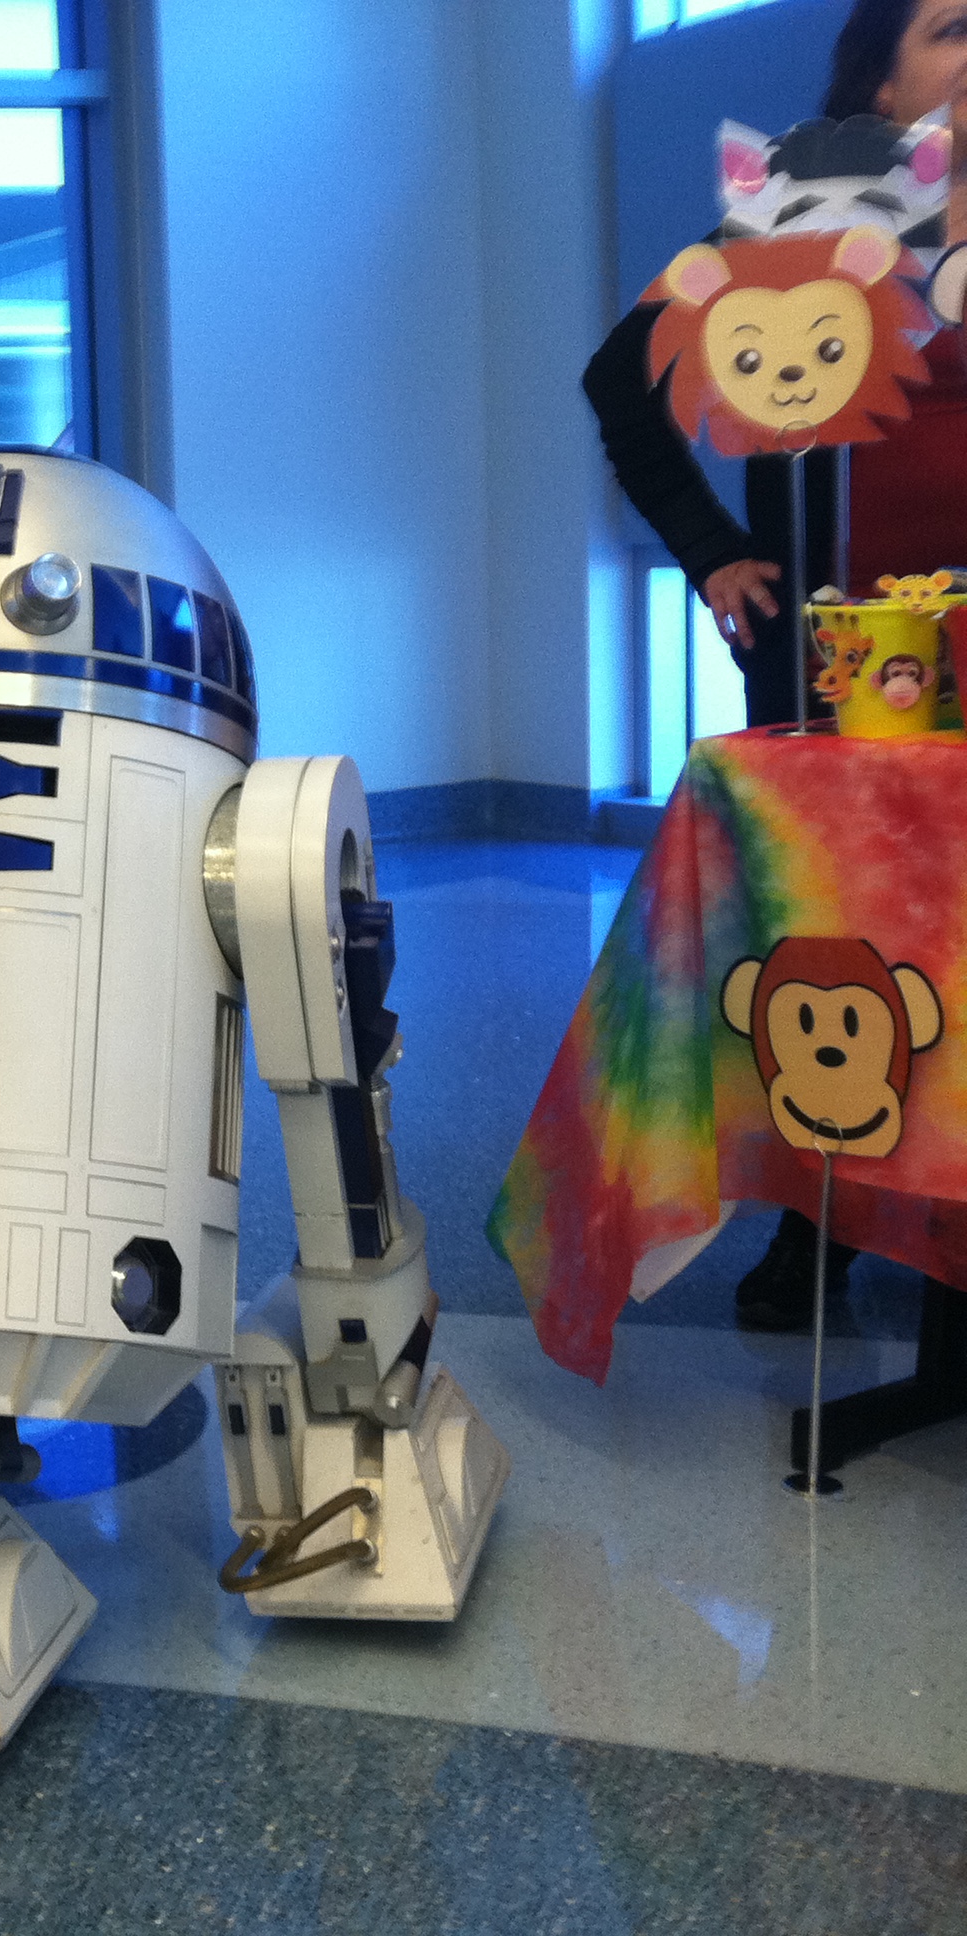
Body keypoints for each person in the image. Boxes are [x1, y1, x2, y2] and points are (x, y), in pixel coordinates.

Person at [584, 0, 967, 1329]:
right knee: (837, 939)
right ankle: (823, 1217)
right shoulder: (806, 216)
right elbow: (622, 381)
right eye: (953, 28)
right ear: (880, 80)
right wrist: (710, 551)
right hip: (840, 656)